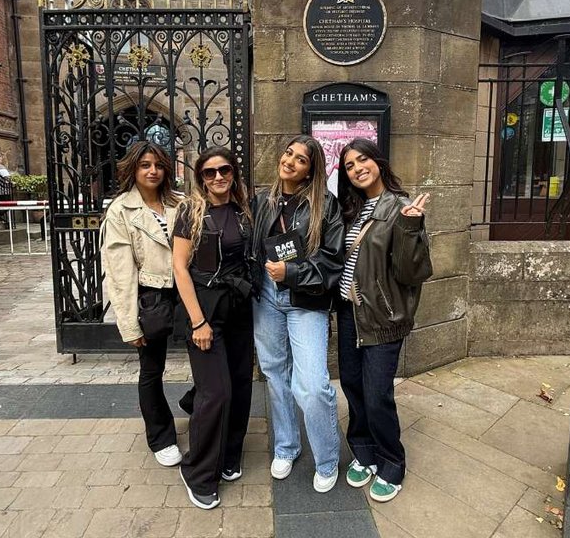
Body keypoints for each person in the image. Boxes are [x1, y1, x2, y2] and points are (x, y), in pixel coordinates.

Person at [336, 138, 431, 503]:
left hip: (382, 316)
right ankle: (363, 451)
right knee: (353, 386)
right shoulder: (354, 208)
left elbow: (411, 273)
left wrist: (410, 227)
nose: (357, 168)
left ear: (378, 162)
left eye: (363, 160)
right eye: (349, 165)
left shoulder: (401, 208)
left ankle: (391, 462)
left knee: (377, 395)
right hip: (350, 312)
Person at [251, 135, 343, 492]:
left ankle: (327, 459)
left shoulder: (325, 205)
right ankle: (286, 446)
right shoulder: (264, 200)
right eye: (288, 153)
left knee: (313, 384)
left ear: (310, 170)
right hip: (266, 296)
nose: (290, 161)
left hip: (306, 299)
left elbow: (332, 261)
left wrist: (290, 273)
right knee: (275, 374)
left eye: (301, 159)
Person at [172, 147, 254, 510]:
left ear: (233, 173)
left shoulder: (244, 210)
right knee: (216, 393)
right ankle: (198, 472)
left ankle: (229, 454)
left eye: (224, 170)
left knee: (240, 385)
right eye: (210, 172)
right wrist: (198, 321)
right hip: (205, 309)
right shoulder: (190, 211)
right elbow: (179, 267)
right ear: (201, 178)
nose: (218, 177)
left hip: (239, 308)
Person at [101, 141, 184, 468]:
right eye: (145, 165)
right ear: (133, 169)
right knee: (152, 369)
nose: (153, 171)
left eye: (159, 165)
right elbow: (120, 272)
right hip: (151, 295)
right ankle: (161, 437)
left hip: (188, 291)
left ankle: (197, 403)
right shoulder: (121, 211)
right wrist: (129, 323)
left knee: (210, 357)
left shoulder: (180, 203)